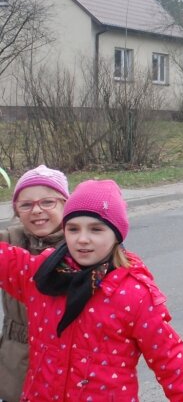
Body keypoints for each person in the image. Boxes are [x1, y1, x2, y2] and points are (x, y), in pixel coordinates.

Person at [0, 179, 183, 401]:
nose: (82, 239)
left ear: (116, 235)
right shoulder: (42, 274)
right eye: (73, 228)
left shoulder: (134, 294)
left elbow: (171, 364)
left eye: (96, 229)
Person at [0, 166, 69, 402]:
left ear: (65, 204)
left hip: (66, 361)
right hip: (16, 361)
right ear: (17, 212)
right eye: (26, 205)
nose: (37, 210)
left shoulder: (83, 244)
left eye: (48, 202)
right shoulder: (9, 242)